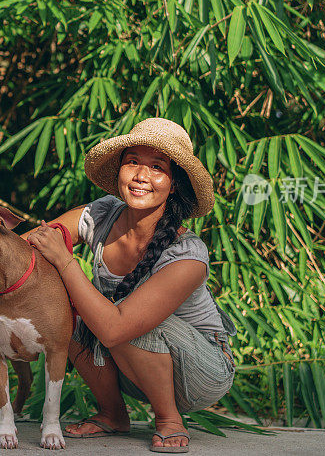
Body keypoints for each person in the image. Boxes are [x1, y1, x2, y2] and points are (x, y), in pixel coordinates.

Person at [23, 117, 236, 453]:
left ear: (174, 183)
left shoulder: (187, 255)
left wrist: (65, 262)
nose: (141, 176)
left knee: (127, 322)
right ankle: (112, 414)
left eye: (157, 167)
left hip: (200, 373)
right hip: (132, 368)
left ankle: (169, 420)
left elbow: (114, 329)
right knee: (69, 313)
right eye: (133, 162)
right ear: (119, 169)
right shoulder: (103, 213)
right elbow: (39, 242)